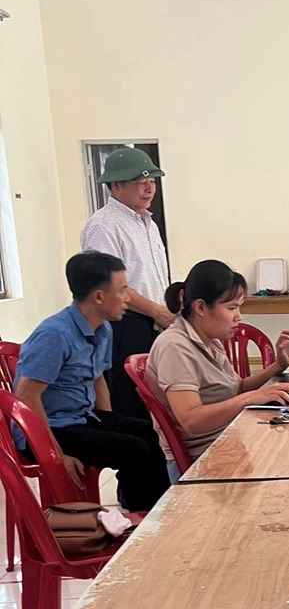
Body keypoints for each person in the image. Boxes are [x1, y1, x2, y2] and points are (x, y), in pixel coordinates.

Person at [14, 252, 170, 512]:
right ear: (99, 297)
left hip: (81, 418)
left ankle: (156, 510)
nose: (127, 298)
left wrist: (108, 423)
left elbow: (98, 380)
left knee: (152, 432)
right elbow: (26, 397)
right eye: (122, 290)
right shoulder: (54, 335)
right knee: (134, 449)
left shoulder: (103, 328)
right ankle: (145, 518)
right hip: (47, 427)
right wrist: (55, 454)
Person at [145, 260, 289, 481]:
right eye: (231, 308)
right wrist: (251, 398)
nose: (239, 316)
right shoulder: (175, 346)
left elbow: (237, 388)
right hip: (202, 459)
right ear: (201, 307)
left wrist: (279, 365)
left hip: (227, 440)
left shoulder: (210, 340)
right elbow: (191, 420)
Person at [80, 147, 173, 420]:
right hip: (124, 325)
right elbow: (108, 287)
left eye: (152, 181)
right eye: (140, 182)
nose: (149, 189)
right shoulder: (103, 226)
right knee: (131, 404)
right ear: (116, 186)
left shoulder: (148, 223)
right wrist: (157, 312)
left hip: (153, 323)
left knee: (155, 402)